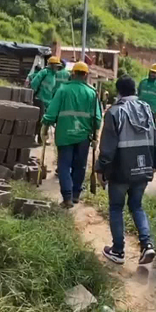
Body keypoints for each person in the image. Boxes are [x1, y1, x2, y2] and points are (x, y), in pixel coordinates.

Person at [96, 76, 156, 265]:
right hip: (143, 167)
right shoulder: (147, 110)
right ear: (135, 90)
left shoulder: (115, 112)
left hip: (121, 169)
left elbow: (108, 146)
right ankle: (147, 244)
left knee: (116, 207)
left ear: (118, 92)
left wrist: (101, 169)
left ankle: (118, 250)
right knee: (137, 206)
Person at [42, 62, 102, 209]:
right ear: (86, 75)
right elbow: (97, 119)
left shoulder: (63, 90)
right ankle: (76, 195)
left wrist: (44, 128)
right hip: (83, 136)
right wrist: (96, 136)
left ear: (73, 73)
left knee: (64, 165)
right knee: (80, 166)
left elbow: (50, 113)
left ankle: (67, 197)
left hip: (65, 135)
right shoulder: (92, 93)